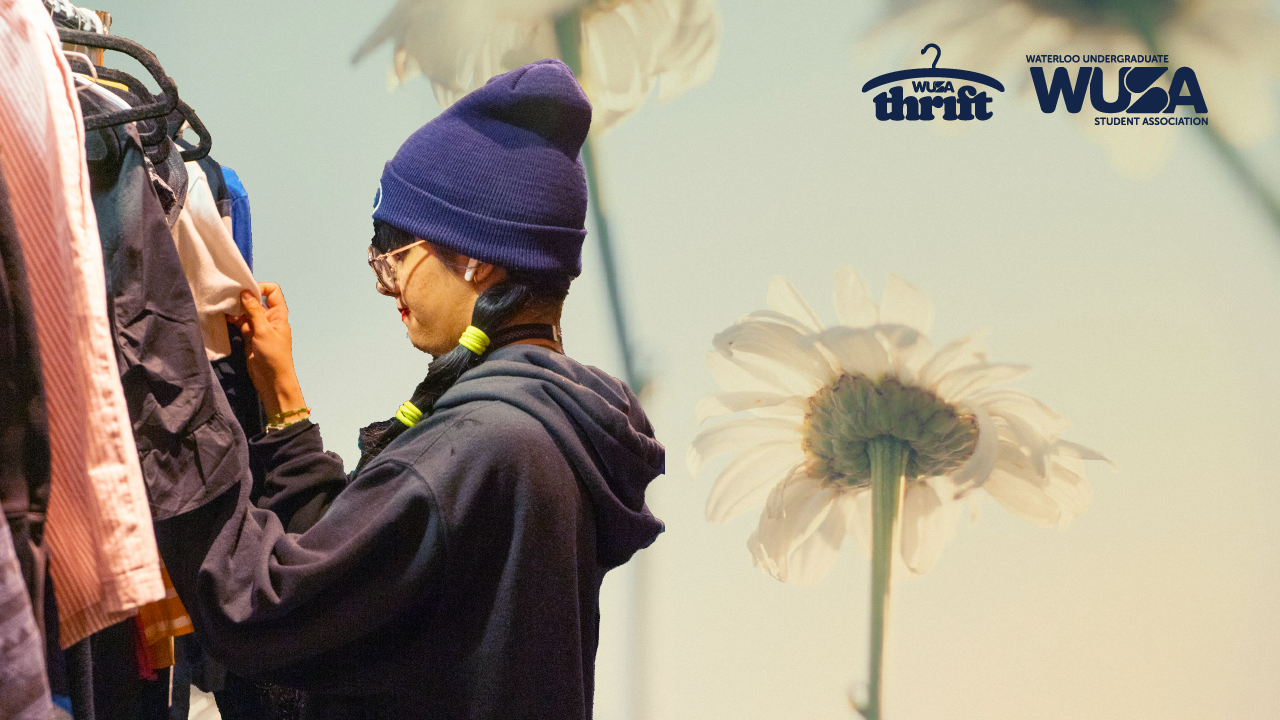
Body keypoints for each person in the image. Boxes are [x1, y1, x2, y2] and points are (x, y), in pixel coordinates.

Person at [152, 58, 665, 720]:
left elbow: (263, 612)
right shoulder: (550, 431)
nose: (382, 281)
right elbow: (354, 577)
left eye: (394, 250)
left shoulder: (479, 449)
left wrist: (169, 379)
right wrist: (283, 401)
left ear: (473, 254)